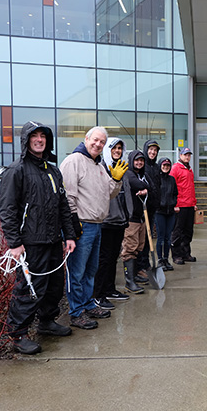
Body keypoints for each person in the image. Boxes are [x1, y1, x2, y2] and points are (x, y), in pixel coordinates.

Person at [0, 121, 76, 355]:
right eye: (35, 136)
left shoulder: (53, 170)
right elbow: (7, 209)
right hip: (30, 243)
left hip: (53, 241)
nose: (40, 140)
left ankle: (47, 321)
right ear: (26, 140)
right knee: (29, 289)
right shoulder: (17, 170)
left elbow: (63, 205)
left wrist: (69, 235)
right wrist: (14, 243)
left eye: (43, 136)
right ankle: (18, 334)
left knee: (54, 287)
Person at [60, 126, 127, 329]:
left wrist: (116, 179)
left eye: (102, 142)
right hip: (81, 224)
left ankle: (89, 304)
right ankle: (76, 311)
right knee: (77, 271)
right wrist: (72, 225)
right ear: (86, 138)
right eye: (95, 140)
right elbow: (68, 195)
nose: (98, 144)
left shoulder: (98, 165)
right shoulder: (74, 161)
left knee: (91, 271)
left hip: (98, 224)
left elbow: (110, 193)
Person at [92, 138, 131, 312]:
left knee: (113, 258)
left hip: (119, 220)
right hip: (106, 221)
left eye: (120, 148)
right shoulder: (102, 167)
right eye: (114, 148)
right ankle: (98, 295)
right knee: (104, 259)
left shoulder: (120, 166)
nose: (118, 150)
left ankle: (109, 289)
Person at [120, 150, 151, 294]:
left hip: (141, 218)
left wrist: (145, 188)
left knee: (139, 247)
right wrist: (144, 186)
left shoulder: (142, 175)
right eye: (137, 160)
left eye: (141, 160)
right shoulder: (129, 173)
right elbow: (136, 184)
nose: (139, 163)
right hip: (131, 218)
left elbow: (151, 186)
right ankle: (129, 282)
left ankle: (135, 275)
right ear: (131, 161)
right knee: (129, 249)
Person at [136, 140, 161, 278]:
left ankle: (145, 264)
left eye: (155, 150)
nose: (153, 152)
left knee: (148, 237)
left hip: (152, 209)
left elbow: (158, 186)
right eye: (150, 149)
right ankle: (140, 265)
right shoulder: (142, 166)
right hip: (142, 208)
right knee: (141, 239)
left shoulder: (156, 167)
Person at [170, 148, 197, 265]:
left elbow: (191, 188)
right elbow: (171, 187)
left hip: (189, 205)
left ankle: (186, 254)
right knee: (178, 232)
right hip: (180, 206)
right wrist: (174, 204)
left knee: (188, 231)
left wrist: (194, 203)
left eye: (189, 155)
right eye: (185, 155)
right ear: (180, 155)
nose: (187, 157)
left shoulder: (189, 169)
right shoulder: (175, 168)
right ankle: (176, 255)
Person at [154, 157, 178, 270]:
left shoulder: (171, 179)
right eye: (164, 165)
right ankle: (160, 260)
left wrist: (173, 203)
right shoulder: (157, 179)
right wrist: (159, 204)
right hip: (160, 212)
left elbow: (175, 193)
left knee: (168, 237)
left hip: (170, 211)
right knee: (161, 237)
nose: (165, 167)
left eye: (168, 166)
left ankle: (166, 259)